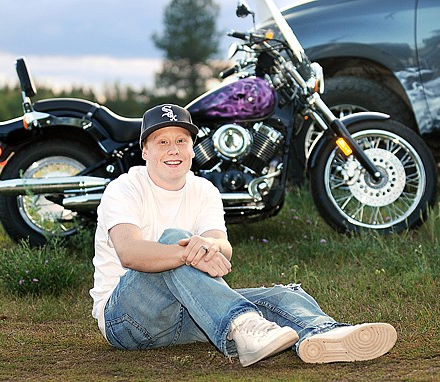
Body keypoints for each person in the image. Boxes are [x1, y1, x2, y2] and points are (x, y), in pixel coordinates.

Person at [89, 104, 397, 367]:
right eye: (162, 142)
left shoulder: (204, 190)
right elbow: (129, 252)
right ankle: (245, 327)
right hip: (127, 319)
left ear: (192, 148)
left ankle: (322, 334)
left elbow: (222, 248)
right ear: (145, 150)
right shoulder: (124, 189)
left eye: (181, 141)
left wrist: (208, 246)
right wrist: (187, 251)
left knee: (284, 295)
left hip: (186, 316)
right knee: (175, 238)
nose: (173, 150)